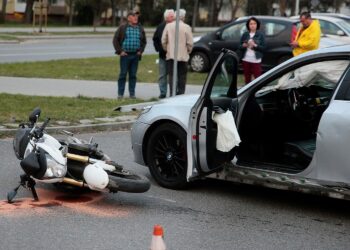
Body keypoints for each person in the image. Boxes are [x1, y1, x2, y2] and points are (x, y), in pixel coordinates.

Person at [112, 10, 146, 99]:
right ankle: (120, 94)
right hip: (125, 55)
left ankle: (132, 94)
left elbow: (144, 41)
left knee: (133, 75)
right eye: (134, 15)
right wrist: (120, 51)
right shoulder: (123, 27)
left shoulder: (140, 28)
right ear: (128, 18)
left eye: (137, 16)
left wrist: (140, 51)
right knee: (123, 74)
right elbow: (115, 40)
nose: (136, 17)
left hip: (135, 55)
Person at [161, 9, 193, 96]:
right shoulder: (187, 27)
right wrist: (188, 51)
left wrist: (167, 49)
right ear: (183, 17)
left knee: (171, 76)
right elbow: (190, 43)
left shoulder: (168, 26)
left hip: (171, 56)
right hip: (183, 56)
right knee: (182, 77)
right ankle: (181, 94)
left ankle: (172, 94)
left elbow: (163, 40)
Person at [152, 9, 175, 99]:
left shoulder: (176, 26)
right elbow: (155, 39)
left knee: (173, 75)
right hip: (163, 55)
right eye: (171, 16)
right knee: (162, 75)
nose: (173, 17)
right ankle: (163, 92)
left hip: (173, 56)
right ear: (166, 17)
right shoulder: (161, 27)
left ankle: (173, 93)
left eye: (173, 16)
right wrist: (159, 49)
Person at [237, 16, 265, 84]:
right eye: (251, 24)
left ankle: (256, 91)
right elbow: (239, 46)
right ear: (248, 25)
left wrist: (255, 45)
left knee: (257, 78)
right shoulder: (245, 34)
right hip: (246, 59)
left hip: (256, 60)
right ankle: (247, 92)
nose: (252, 25)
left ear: (257, 25)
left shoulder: (260, 35)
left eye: (254, 23)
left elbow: (263, 48)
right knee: (247, 78)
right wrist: (244, 45)